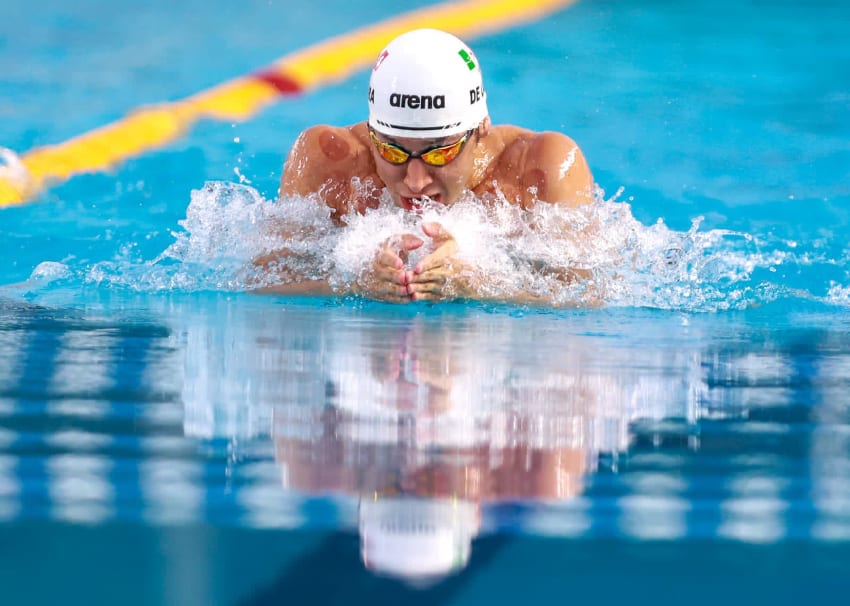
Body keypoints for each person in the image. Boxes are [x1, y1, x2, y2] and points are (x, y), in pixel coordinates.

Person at [266, 28, 594, 303]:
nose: (416, 181)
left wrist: (483, 285)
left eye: (439, 154)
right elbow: (261, 286)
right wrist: (353, 282)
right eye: (392, 151)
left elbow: (589, 298)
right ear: (372, 132)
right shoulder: (327, 161)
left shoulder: (541, 168)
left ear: (481, 128)